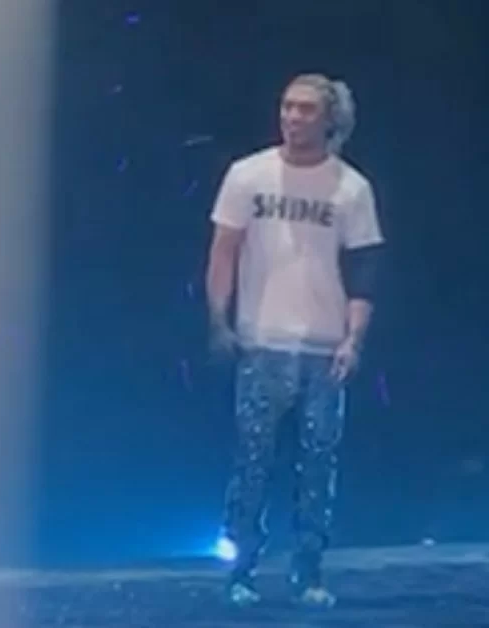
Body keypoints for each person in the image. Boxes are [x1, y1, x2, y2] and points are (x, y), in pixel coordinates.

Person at [206, 73, 385, 609]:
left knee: (317, 466)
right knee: (252, 461)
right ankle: (241, 571)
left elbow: (364, 270)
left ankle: (308, 572)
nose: (292, 117)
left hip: (324, 348)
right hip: (262, 342)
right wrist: (218, 318)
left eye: (305, 109)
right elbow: (224, 250)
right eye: (287, 106)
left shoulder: (350, 188)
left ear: (330, 119)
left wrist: (353, 338)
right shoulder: (248, 175)